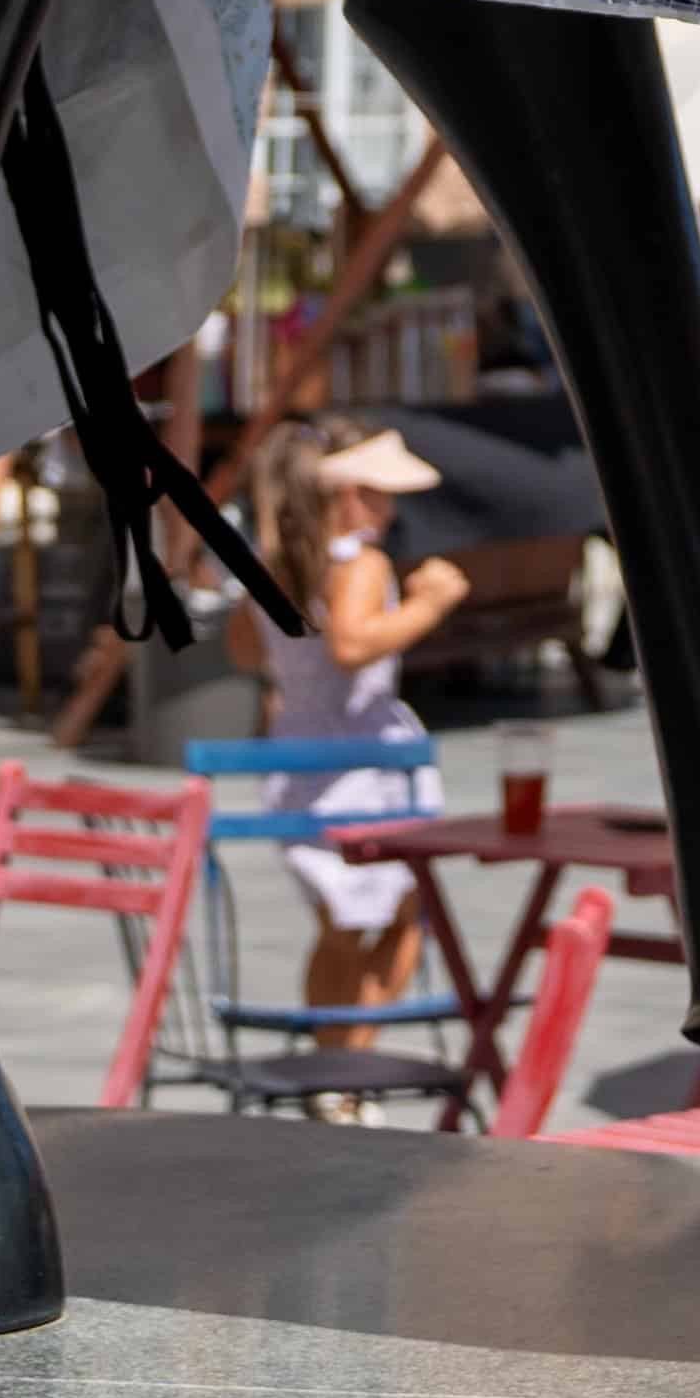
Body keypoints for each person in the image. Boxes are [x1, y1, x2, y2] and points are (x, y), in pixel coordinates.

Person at [223, 415, 459, 1005]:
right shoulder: (361, 563)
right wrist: (430, 605)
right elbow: (352, 645)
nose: (391, 512)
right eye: (381, 495)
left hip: (297, 751)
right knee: (407, 912)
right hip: (365, 759)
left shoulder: (275, 561)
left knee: (340, 926)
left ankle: (337, 1064)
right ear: (352, 495)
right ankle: (347, 1063)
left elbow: (243, 648)